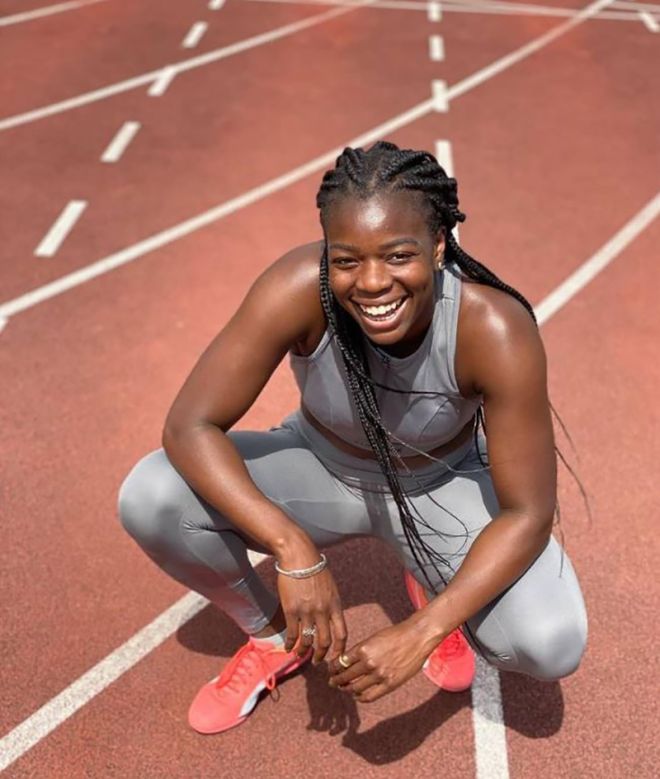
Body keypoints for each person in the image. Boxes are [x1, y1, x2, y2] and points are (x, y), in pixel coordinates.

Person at [117, 141, 588, 735]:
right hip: (321, 468)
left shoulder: (493, 328)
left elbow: (528, 512)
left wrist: (428, 629)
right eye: (347, 260)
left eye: (398, 255)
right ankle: (275, 640)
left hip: (439, 489)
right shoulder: (296, 288)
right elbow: (189, 424)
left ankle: (430, 576)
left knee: (551, 642)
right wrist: (290, 549)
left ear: (439, 245)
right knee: (151, 495)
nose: (372, 282)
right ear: (326, 255)